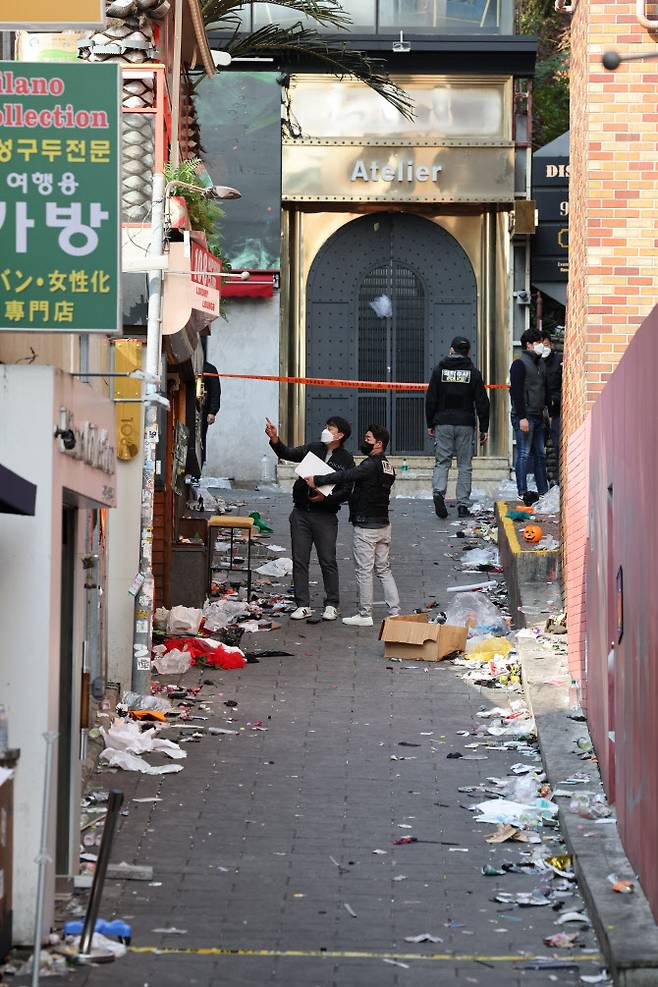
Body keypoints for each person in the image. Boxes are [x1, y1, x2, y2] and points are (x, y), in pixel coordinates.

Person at [305, 424, 400, 628]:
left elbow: (345, 475)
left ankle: (365, 614)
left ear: (379, 443)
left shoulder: (370, 464)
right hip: (383, 524)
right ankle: (395, 611)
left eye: (368, 438)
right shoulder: (388, 466)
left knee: (364, 570)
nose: (364, 441)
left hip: (366, 526)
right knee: (384, 569)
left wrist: (318, 479)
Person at [265, 416, 354, 621]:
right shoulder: (313, 448)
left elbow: (346, 490)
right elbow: (288, 453)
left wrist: (326, 497)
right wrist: (275, 439)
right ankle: (302, 604)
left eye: (330, 428)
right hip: (301, 512)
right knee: (300, 559)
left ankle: (332, 603)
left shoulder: (346, 459)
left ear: (340, 435)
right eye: (326, 426)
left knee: (327, 559)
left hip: (325, 516)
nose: (326, 429)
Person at [425, 336, 490, 519]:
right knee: (464, 465)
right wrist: (483, 427)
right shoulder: (474, 373)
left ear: (451, 350)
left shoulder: (439, 371)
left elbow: (431, 399)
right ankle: (462, 505)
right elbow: (482, 402)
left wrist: (430, 422)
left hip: (443, 422)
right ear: (467, 352)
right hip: (465, 423)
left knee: (442, 462)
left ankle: (439, 492)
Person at [510, 329, 549, 506]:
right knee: (524, 454)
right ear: (529, 344)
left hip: (539, 416)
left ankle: (543, 492)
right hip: (525, 417)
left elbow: (543, 391)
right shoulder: (519, 364)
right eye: (538, 342)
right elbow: (516, 392)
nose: (542, 345)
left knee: (540, 454)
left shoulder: (540, 364)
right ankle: (522, 491)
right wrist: (522, 417)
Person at [541, 332, 563, 477]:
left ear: (552, 345)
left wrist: (554, 400)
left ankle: (560, 483)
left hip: (555, 410)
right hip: (538, 410)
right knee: (536, 450)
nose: (544, 348)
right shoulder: (534, 362)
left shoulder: (559, 361)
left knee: (557, 446)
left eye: (546, 345)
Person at [201, 360, 221, 468]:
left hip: (204, 411)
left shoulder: (209, 369)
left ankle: (201, 464)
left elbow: (215, 391)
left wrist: (212, 412)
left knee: (201, 438)